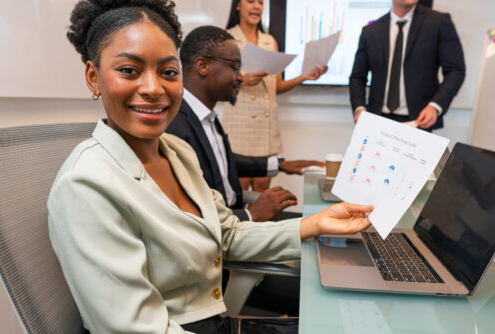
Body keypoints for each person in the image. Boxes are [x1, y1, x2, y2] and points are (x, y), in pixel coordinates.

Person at [49, 1, 373, 333]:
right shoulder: (85, 184)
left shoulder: (177, 152)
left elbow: (228, 235)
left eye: (168, 72)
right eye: (129, 70)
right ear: (93, 77)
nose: (153, 88)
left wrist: (317, 223)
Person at [167, 26, 321, 223]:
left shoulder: (204, 116)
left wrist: (278, 164)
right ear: (203, 66)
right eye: (234, 67)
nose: (240, 76)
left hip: (234, 220)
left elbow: (220, 162)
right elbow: (188, 216)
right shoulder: (174, 126)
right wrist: (252, 214)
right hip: (222, 233)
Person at [222, 0, 327, 193]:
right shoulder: (227, 39)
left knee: (263, 190)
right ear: (237, 5)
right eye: (251, 1)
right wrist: (241, 80)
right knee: (240, 188)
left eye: (261, 3)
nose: (257, 7)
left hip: (266, 127)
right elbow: (216, 82)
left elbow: (276, 86)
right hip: (240, 126)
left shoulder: (269, 41)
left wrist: (303, 77)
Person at [349, 0, 466, 130]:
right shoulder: (370, 31)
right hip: (377, 119)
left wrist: (435, 106)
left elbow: (455, 70)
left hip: (419, 120)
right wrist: (359, 108)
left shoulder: (439, 22)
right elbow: (357, 77)